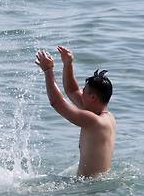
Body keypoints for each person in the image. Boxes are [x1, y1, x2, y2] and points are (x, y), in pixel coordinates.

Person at [35, 46, 116, 177]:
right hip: (94, 184)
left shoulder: (94, 121)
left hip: (89, 188)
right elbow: (72, 91)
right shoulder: (106, 116)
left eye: (84, 91)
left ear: (93, 97)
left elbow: (57, 103)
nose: (80, 93)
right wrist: (68, 64)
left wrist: (48, 71)